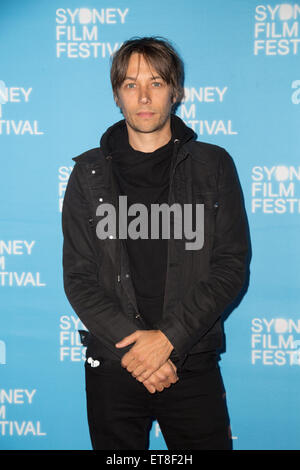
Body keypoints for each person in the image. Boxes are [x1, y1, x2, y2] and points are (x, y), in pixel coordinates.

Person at [62, 36, 249, 450]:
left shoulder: (213, 166)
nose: (143, 96)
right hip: (114, 362)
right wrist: (138, 351)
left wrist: (167, 340)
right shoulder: (87, 175)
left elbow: (230, 265)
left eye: (157, 83)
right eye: (131, 84)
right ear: (116, 94)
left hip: (190, 359)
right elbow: (78, 278)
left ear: (176, 90)